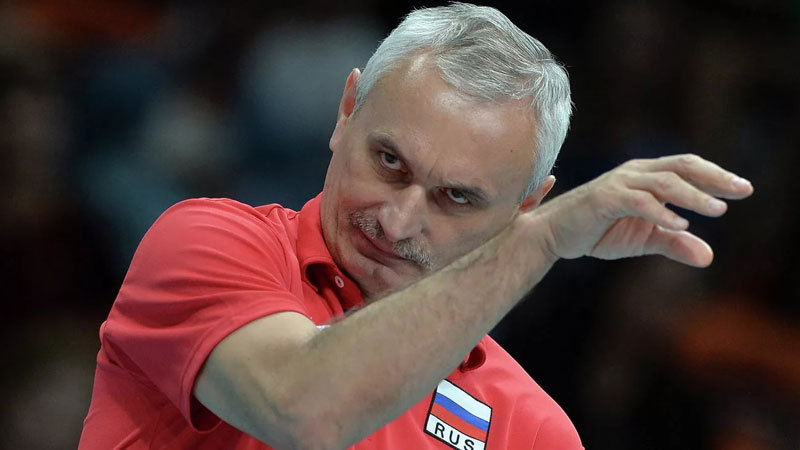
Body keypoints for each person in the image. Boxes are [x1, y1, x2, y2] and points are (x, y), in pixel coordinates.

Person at [78, 3, 753, 449]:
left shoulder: (532, 430)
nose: (397, 221)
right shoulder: (204, 241)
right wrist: (542, 242)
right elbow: (305, 410)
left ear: (523, 206)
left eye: (455, 197)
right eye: (389, 161)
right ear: (346, 112)